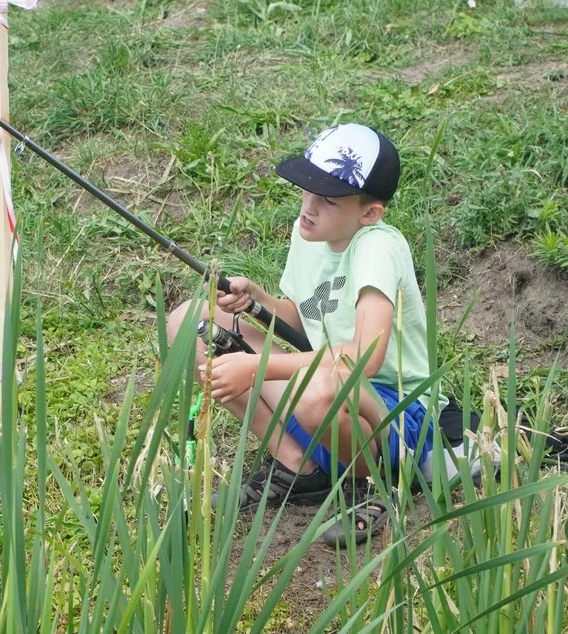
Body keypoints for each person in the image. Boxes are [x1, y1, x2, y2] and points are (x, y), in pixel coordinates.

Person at [165, 123, 446, 547]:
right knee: (187, 322)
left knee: (321, 392)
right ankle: (296, 468)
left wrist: (256, 368)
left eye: (328, 200)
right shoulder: (311, 233)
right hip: (325, 390)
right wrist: (258, 300)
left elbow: (364, 359)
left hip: (398, 414)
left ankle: (375, 487)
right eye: (306, 191)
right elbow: (303, 318)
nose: (308, 208)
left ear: (368, 213)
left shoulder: (379, 246)